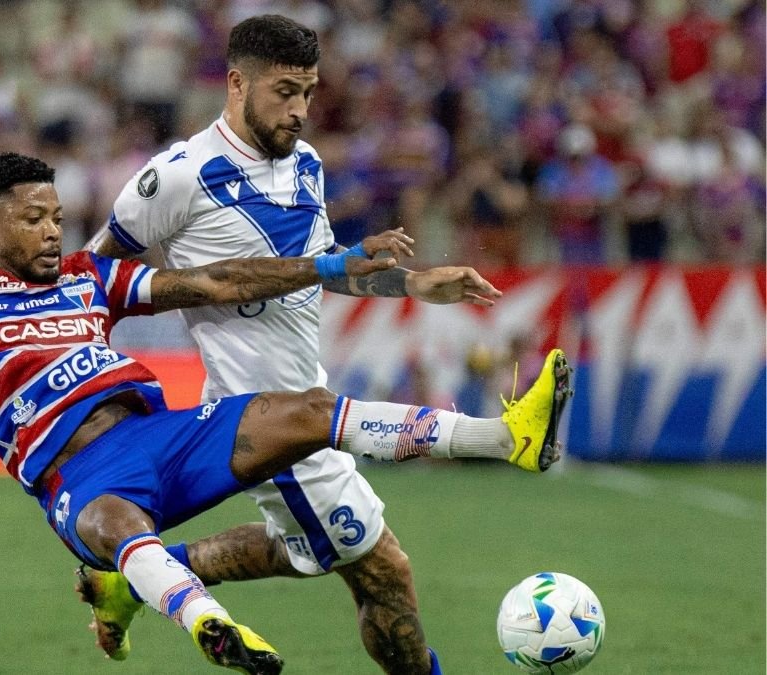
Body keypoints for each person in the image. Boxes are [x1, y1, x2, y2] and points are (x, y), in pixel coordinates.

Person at [0, 153, 571, 674]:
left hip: (160, 435)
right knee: (116, 527)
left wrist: (335, 263)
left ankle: (506, 438)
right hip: (78, 476)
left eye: (58, 214)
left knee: (305, 411)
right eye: (35, 217)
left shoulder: (94, 277)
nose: (55, 229)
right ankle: (211, 626)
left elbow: (215, 280)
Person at [83, 15, 559, 675]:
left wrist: (416, 283)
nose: (300, 110)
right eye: (285, 92)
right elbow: (89, 280)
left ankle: (132, 581)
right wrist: (91, 380)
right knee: (383, 569)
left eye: (308, 92)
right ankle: (505, 439)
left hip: (304, 400)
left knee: (306, 547)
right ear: (236, 84)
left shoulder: (305, 164)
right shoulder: (177, 177)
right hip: (264, 416)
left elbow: (325, 267)